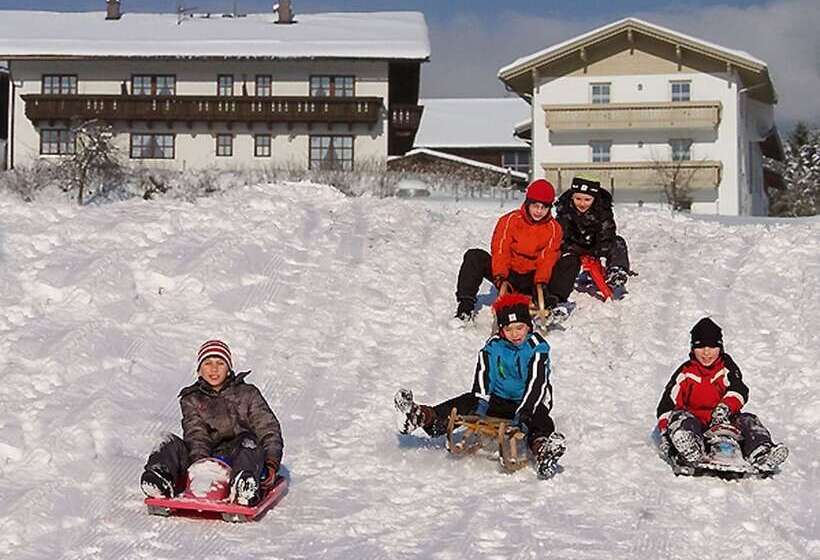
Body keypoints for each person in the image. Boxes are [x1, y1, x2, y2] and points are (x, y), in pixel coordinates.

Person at [396, 294, 566, 478]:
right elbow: (483, 379)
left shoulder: (537, 347)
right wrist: (479, 408)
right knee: (467, 400)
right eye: (509, 329)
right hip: (500, 399)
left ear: (528, 327)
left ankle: (542, 451)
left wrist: (524, 413)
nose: (515, 334)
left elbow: (537, 383)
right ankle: (423, 417)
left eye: (520, 328)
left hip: (530, 401)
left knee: (540, 419)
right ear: (501, 330)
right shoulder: (493, 347)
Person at [140, 340, 284, 506]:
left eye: (220, 363)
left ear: (228, 368)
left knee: (248, 441)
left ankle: (244, 484)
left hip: (241, 456)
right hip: (204, 459)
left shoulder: (248, 393)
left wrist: (272, 462)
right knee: (166, 441)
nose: (214, 369)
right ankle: (159, 478)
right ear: (199, 370)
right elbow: (196, 435)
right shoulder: (191, 399)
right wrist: (201, 469)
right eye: (208, 363)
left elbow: (268, 428)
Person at [656, 318, 788, 472]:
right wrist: (666, 433)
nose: (706, 352)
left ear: (720, 347)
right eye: (700, 347)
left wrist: (725, 407)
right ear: (693, 349)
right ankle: (690, 449)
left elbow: (739, 389)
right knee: (681, 417)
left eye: (712, 346)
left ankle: (761, 452)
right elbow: (667, 405)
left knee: (749, 420)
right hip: (696, 425)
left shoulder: (726, 368)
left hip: (724, 422)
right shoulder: (685, 373)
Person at [454, 178, 568, 322]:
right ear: (527, 203)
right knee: (474, 256)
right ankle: (465, 306)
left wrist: (541, 282)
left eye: (544, 208)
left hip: (532, 278)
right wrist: (501, 277)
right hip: (509, 273)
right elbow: (501, 249)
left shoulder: (553, 228)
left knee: (567, 261)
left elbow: (547, 257)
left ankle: (550, 305)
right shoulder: (510, 220)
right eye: (535, 206)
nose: (539, 211)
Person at [551, 175, 630, 300]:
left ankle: (617, 270)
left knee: (618, 242)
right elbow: (561, 233)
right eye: (578, 199)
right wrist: (568, 247)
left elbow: (607, 231)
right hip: (574, 246)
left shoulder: (602, 209)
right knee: (562, 255)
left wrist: (600, 249)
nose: (582, 203)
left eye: (587, 200)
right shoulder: (565, 209)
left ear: (594, 198)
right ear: (572, 196)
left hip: (596, 244)